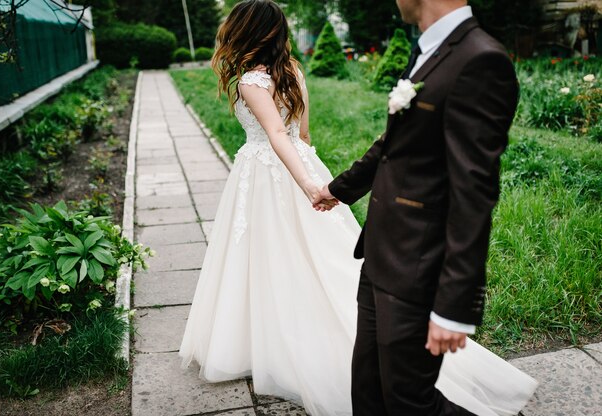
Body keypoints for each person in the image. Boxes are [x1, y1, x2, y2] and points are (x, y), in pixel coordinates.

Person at [179, 1, 537, 415]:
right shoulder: (296, 70)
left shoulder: (475, 59)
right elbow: (317, 135)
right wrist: (330, 186)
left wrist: (309, 184)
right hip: (316, 175)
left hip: (282, 175)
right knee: (366, 378)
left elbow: (277, 135)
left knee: (276, 258)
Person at [315, 0, 536, 414]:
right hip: (381, 252)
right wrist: (338, 188)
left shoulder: (481, 60)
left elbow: (474, 194)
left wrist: (454, 307)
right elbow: (394, 144)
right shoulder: (428, 49)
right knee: (369, 391)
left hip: (419, 267)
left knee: (409, 402)